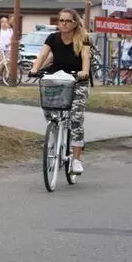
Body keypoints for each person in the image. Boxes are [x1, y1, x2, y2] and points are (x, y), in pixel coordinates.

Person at [28, 9, 91, 174]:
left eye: (68, 21)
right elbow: (42, 55)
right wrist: (35, 69)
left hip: (77, 80)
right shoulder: (52, 38)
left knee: (76, 118)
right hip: (57, 78)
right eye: (61, 20)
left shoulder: (83, 38)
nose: (64, 23)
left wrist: (85, 72)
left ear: (74, 23)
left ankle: (76, 159)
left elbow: (86, 57)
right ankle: (55, 132)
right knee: (49, 109)